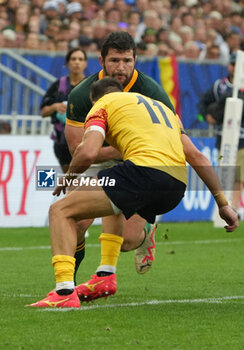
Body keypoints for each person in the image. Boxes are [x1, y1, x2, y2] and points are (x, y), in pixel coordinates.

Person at [27, 78, 238, 308]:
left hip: (142, 174)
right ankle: (107, 273)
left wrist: (67, 178)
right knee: (126, 236)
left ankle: (64, 291)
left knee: (60, 210)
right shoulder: (165, 109)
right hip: (176, 185)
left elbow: (87, 153)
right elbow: (198, 156)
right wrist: (223, 203)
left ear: (94, 99)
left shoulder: (102, 105)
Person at [64, 31, 177, 289]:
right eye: (114, 60)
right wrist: (116, 151)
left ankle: (145, 236)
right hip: (98, 159)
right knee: (76, 218)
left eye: (127, 60)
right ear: (101, 60)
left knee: (128, 240)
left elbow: (173, 137)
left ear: (136, 60)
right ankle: (67, 285)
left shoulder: (151, 91)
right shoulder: (82, 94)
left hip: (140, 163)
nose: (121, 67)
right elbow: (76, 149)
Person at [198, 52, 244, 217]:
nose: (234, 68)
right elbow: (202, 103)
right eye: (232, 64)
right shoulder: (220, 86)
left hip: (242, 137)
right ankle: (225, 205)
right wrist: (206, 117)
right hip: (223, 135)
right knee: (225, 172)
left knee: (238, 173)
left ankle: (235, 207)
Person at [40, 47, 87, 173]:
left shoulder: (91, 86)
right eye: (73, 59)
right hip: (62, 142)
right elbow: (43, 112)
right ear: (67, 63)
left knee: (86, 182)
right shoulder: (58, 85)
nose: (77, 62)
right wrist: (55, 106)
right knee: (70, 180)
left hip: (85, 141)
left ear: (85, 63)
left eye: (80, 59)